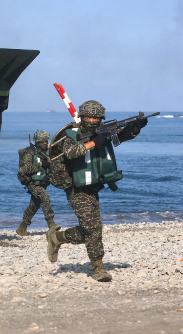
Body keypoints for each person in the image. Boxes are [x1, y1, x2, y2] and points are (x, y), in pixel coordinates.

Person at [46, 101, 148, 282]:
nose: (93, 120)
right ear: (83, 117)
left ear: (101, 118)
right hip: (76, 187)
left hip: (94, 185)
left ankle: (57, 237)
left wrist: (134, 129)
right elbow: (69, 153)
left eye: (96, 117)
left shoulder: (103, 132)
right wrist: (94, 142)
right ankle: (98, 268)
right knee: (93, 228)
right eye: (89, 117)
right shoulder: (72, 134)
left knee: (91, 229)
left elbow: (122, 136)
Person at [16, 130, 59, 236]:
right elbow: (24, 169)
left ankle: (22, 228)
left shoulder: (49, 152)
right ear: (36, 142)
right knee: (45, 197)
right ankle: (51, 224)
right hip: (32, 183)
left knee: (34, 206)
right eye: (42, 142)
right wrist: (40, 164)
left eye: (46, 141)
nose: (45, 143)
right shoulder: (29, 153)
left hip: (43, 182)